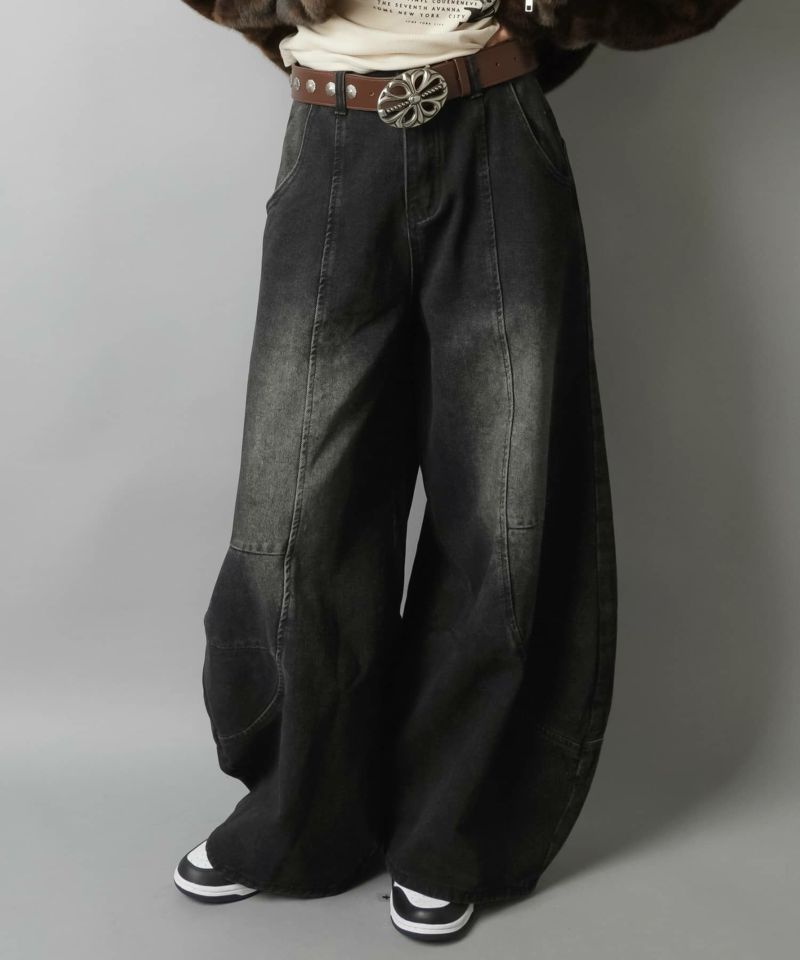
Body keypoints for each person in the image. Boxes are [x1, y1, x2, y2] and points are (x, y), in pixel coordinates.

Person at [170, 0, 741, 943]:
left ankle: (450, 833)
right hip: (333, 132)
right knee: (292, 509)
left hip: (496, 128)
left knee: (502, 507)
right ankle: (295, 817)